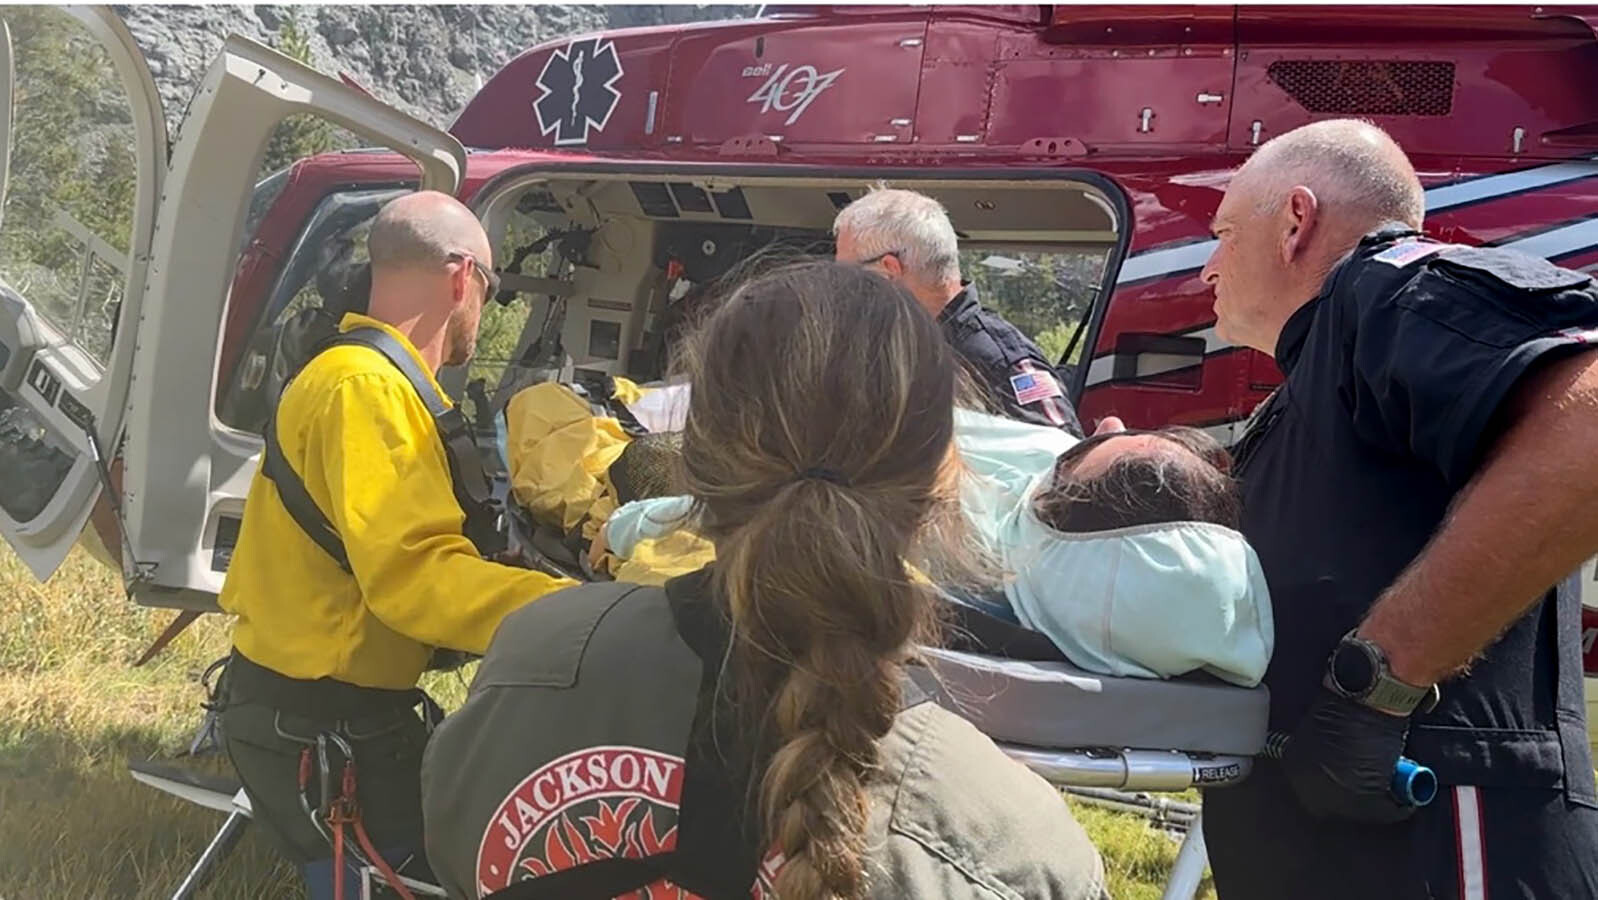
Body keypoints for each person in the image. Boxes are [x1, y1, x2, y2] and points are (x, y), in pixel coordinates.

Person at [420, 261, 1110, 900]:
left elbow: (454, 846)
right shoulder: (1020, 849)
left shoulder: (527, 670)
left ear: (690, 460)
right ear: (943, 481)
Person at [1197, 119, 1598, 899]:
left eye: (1221, 233)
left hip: (1446, 845)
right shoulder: (1314, 374)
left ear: (1294, 221)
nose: (1207, 264)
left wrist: (1377, 683)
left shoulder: (1383, 288)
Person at [216, 191, 575, 896]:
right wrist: (585, 609)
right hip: (318, 726)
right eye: (491, 290)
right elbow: (417, 581)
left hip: (316, 715)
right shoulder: (365, 389)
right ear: (460, 277)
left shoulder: (374, 381)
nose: (481, 307)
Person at [601, 414, 1271, 686]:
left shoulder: (971, 526)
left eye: (1087, 448)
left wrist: (627, 526)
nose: (1108, 423)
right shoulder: (1195, 606)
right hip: (735, 467)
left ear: (1052, 516)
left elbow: (762, 498)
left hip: (684, 477)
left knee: (584, 431)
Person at [833, 187, 1084, 435]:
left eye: (846, 275)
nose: (844, 291)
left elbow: (1063, 460)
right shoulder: (893, 348)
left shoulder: (999, 362)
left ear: (889, 270)